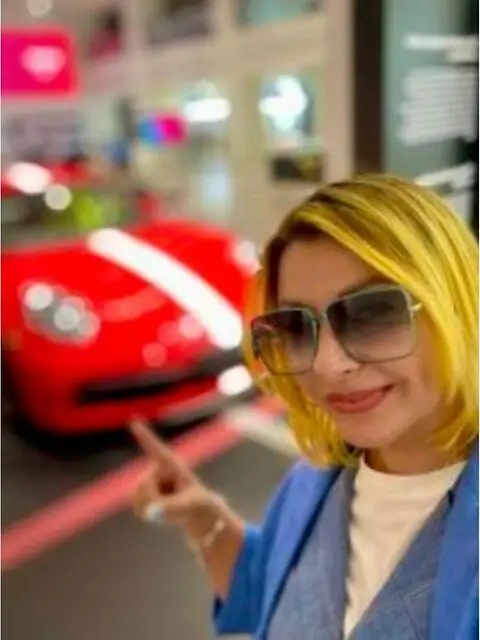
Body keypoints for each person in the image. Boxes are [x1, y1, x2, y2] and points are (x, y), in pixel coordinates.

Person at [130, 173, 478, 639]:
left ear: (457, 306)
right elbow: (268, 591)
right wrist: (204, 520)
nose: (328, 365)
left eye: (374, 313)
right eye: (296, 327)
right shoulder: (315, 480)